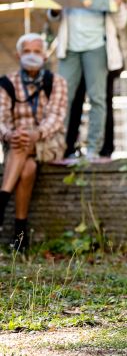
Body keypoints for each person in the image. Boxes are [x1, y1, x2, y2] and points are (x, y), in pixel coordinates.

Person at [48, 0, 126, 159]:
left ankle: (94, 149)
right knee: (64, 98)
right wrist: (54, 9)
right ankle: (58, 148)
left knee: (98, 98)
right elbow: (53, 17)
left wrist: (120, 5)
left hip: (97, 47)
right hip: (70, 47)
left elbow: (120, 23)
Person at [0, 34, 67, 251]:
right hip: (17, 143)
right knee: (27, 168)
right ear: (19, 54)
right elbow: (1, 120)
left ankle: (1, 203)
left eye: (37, 52)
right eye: (27, 51)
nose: (32, 56)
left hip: (48, 142)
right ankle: (20, 237)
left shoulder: (57, 82)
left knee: (24, 144)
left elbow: (56, 118)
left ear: (45, 55)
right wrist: (10, 134)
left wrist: (35, 134)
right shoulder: (6, 84)